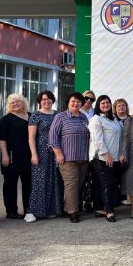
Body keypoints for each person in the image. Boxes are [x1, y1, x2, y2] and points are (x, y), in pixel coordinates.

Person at [49, 92, 91, 223]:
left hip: (83, 157)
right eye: (73, 101)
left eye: (79, 102)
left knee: (77, 185)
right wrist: (58, 153)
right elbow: (53, 137)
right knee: (71, 184)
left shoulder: (84, 118)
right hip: (67, 158)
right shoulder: (60, 117)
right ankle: (73, 212)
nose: (76, 104)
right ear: (68, 102)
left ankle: (66, 208)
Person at [26, 90, 63, 222]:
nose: (46, 101)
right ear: (40, 101)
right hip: (41, 151)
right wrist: (33, 154)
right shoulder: (35, 115)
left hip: (56, 151)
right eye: (43, 99)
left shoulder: (58, 115)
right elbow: (31, 137)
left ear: (53, 100)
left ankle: (51, 209)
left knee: (54, 180)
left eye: (48, 99)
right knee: (39, 181)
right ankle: (33, 211)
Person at [89, 94, 123, 222]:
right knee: (107, 183)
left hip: (114, 157)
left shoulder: (114, 119)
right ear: (98, 105)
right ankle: (109, 211)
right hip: (101, 157)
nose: (106, 105)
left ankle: (99, 208)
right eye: (102, 103)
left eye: (107, 102)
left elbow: (119, 138)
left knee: (103, 183)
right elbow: (97, 140)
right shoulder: (96, 119)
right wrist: (106, 154)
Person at [0, 93, 32, 219]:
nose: (15, 104)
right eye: (12, 102)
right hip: (11, 156)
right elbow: (1, 139)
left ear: (23, 103)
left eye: (18, 101)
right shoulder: (6, 119)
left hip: (28, 156)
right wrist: (5, 155)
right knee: (10, 184)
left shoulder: (31, 116)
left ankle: (29, 209)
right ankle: (11, 211)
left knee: (29, 184)